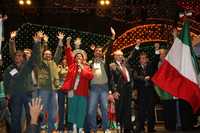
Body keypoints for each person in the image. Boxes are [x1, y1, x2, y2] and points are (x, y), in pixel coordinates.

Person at [3, 32, 40, 133]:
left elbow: (34, 57)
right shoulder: (9, 69)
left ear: (23, 58)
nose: (18, 57)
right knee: (15, 118)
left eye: (20, 56)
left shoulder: (27, 67)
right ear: (14, 58)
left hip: (28, 94)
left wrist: (37, 43)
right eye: (16, 56)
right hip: (15, 96)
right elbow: (6, 82)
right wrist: (7, 93)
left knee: (30, 115)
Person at [61, 36, 93, 133]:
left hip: (83, 92)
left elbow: (90, 76)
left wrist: (82, 67)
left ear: (83, 59)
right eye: (77, 56)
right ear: (74, 58)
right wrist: (68, 43)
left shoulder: (87, 67)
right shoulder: (71, 65)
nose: (78, 57)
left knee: (81, 110)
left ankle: (79, 128)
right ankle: (73, 126)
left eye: (80, 57)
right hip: (72, 91)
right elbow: (68, 53)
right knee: (72, 110)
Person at [87, 27, 115, 133]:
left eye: (100, 51)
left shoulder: (105, 61)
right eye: (96, 51)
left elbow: (109, 49)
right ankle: (93, 128)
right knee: (91, 110)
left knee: (104, 109)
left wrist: (112, 38)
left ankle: (106, 128)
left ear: (102, 52)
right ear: (94, 53)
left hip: (104, 87)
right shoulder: (90, 63)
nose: (98, 52)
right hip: (93, 88)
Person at [35, 31, 64, 133]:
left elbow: (59, 53)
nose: (48, 55)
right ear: (43, 55)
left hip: (54, 89)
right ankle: (41, 126)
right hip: (43, 89)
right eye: (46, 54)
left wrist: (60, 40)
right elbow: (38, 54)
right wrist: (40, 41)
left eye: (49, 54)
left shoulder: (54, 62)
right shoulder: (41, 63)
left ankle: (51, 128)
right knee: (42, 109)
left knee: (53, 110)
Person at [132, 42, 160, 133]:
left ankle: (151, 128)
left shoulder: (151, 66)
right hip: (141, 92)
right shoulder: (137, 67)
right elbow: (135, 77)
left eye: (144, 58)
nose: (143, 59)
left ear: (147, 59)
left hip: (150, 91)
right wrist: (144, 78)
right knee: (141, 111)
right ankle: (141, 128)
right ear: (139, 60)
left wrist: (156, 49)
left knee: (151, 110)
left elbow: (156, 59)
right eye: (141, 58)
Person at [109, 49, 134, 133]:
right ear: (115, 56)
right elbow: (111, 80)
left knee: (128, 109)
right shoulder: (112, 65)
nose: (121, 56)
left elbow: (130, 76)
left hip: (128, 89)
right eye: (119, 55)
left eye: (121, 55)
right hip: (119, 90)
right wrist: (114, 91)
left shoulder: (126, 64)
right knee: (120, 109)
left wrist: (132, 87)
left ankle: (128, 128)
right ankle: (120, 127)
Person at [57, 57, 68, 132]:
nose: (64, 61)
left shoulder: (70, 67)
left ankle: (68, 126)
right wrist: (60, 69)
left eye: (66, 60)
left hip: (69, 90)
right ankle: (60, 127)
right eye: (63, 60)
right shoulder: (58, 67)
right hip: (60, 89)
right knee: (61, 108)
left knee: (69, 108)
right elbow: (56, 76)